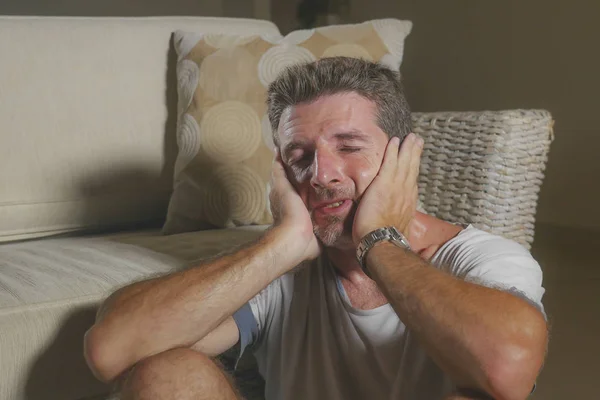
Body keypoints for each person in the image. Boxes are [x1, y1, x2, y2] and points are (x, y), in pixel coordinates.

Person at [84, 57, 548, 400]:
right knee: (168, 375)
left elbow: (508, 367)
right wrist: (282, 246)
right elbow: (111, 350)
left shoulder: (479, 257)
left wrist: (378, 242)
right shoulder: (281, 268)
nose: (321, 175)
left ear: (403, 159)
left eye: (348, 146)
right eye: (300, 157)